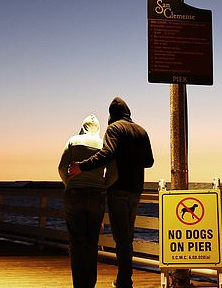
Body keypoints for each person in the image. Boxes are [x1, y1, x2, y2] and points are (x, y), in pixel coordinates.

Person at [69, 97, 153, 288]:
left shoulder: (115, 128)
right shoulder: (142, 131)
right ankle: (124, 277)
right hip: (136, 189)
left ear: (111, 115)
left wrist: (82, 167)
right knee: (128, 236)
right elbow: (149, 161)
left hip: (119, 188)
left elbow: (107, 153)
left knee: (121, 238)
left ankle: (124, 280)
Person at [58, 115, 107, 288]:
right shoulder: (103, 144)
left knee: (77, 242)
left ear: (83, 127)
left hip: (74, 195)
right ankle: (90, 283)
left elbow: (62, 167)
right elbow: (112, 172)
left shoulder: (73, 141)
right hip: (96, 195)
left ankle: (79, 284)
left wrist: (69, 184)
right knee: (92, 242)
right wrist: (102, 185)